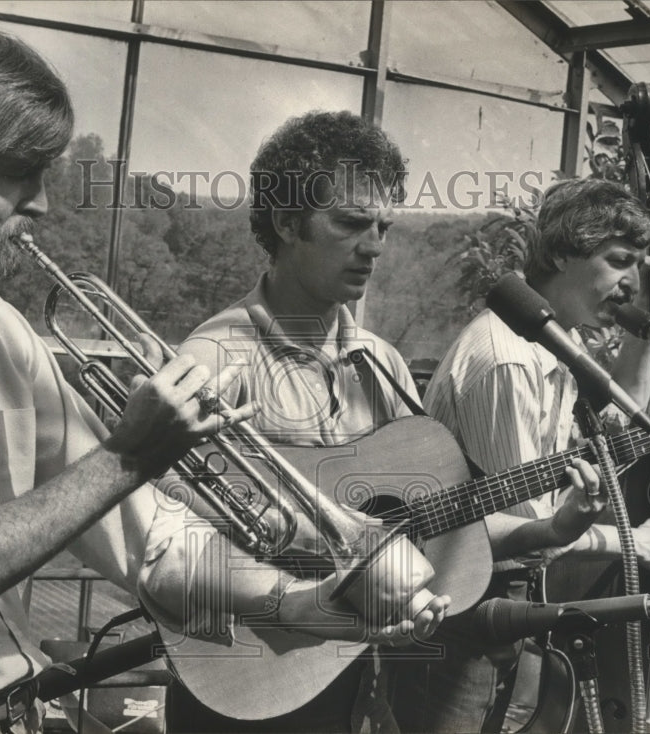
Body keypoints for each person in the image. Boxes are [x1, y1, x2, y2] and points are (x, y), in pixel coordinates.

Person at [0, 13, 404, 732]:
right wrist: (127, 457)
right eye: (19, 172)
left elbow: (153, 542)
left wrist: (295, 602)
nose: (43, 204)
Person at [156, 110, 603, 734]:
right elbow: (163, 550)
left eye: (383, 226)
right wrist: (300, 593)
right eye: (349, 224)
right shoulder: (212, 362)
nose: (375, 246)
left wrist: (551, 527)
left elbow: (439, 517)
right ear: (286, 222)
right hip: (247, 688)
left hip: (354, 687)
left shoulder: (382, 363)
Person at [391, 178, 650, 733]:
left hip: (498, 611)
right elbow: (524, 535)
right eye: (618, 261)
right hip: (455, 616)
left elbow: (619, 422)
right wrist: (635, 542)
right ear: (561, 251)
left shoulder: (555, 342)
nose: (630, 282)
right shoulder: (507, 358)